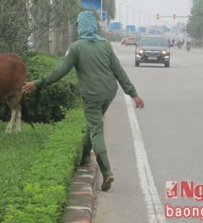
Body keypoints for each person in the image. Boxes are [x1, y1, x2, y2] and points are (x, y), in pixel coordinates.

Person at [22, 11, 145, 192]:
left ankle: (107, 171)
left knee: (96, 129)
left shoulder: (77, 47)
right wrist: (134, 94)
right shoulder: (105, 46)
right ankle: (85, 156)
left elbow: (60, 71)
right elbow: (119, 72)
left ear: (81, 26)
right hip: (109, 92)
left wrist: (37, 83)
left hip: (93, 95)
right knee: (93, 122)